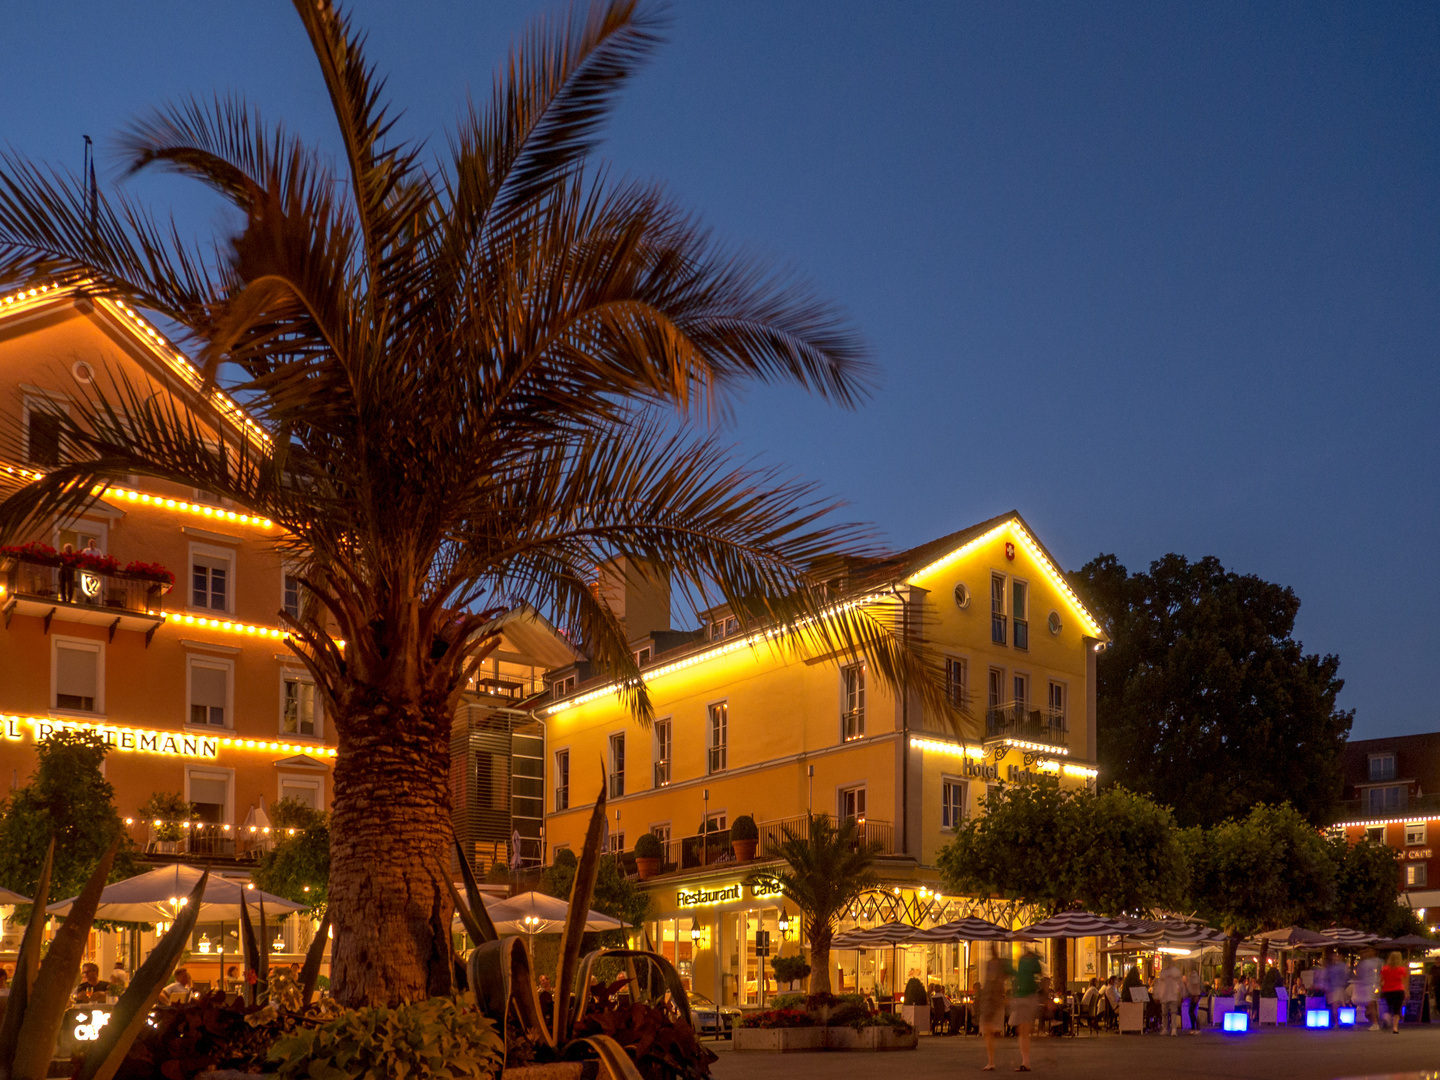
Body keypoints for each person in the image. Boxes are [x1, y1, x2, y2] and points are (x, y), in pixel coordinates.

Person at [976, 946, 1010, 1072]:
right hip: (993, 999)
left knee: (989, 1031)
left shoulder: (993, 964)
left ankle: (992, 1060)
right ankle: (992, 1060)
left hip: (991, 999)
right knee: (989, 1031)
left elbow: (990, 982)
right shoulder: (999, 964)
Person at [1009, 946, 1041, 1070]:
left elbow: (1019, 976)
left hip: (1025, 997)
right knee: (1023, 1030)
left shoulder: (1023, 962)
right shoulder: (1028, 961)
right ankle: (1025, 1061)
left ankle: (1026, 1062)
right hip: (1025, 997)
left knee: (1023, 1030)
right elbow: (1037, 970)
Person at [1379, 952, 1408, 1034]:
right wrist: (1406, 992)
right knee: (1397, 1009)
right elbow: (1404, 981)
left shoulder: (1385, 969)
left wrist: (1382, 987)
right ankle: (1395, 1027)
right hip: (1399, 990)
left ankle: (1387, 1017)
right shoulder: (1402, 969)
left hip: (1387, 991)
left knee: (1388, 1007)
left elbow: (1381, 980)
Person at [1356, 948, 1382, 1031]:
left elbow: (1379, 972)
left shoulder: (1376, 962)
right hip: (1367, 985)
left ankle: (1375, 1023)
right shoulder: (1365, 963)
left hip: (1371, 985)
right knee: (1370, 1005)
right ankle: (1375, 1021)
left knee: (1371, 1004)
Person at [1155, 958, 1182, 1036]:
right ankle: (1166, 1028)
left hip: (1172, 995)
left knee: (1172, 1012)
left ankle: (1173, 1029)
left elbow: (1179, 983)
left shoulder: (1174, 971)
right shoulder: (1164, 972)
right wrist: (1157, 994)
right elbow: (1159, 984)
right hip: (1165, 995)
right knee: (1165, 1013)